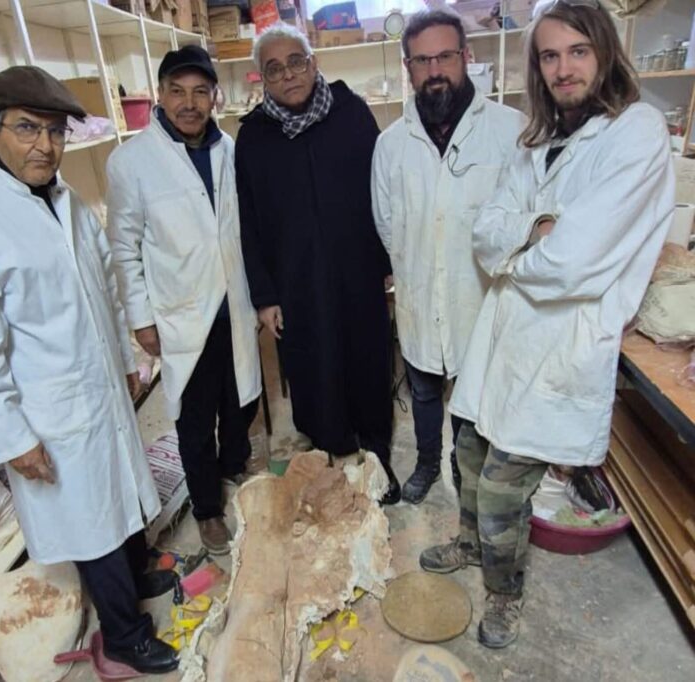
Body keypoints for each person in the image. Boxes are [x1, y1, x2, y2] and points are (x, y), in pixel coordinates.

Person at [420, 0, 675, 649]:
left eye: (578, 52)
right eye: (550, 55)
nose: (564, 68)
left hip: (561, 343)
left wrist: (521, 249)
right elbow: (487, 233)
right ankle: (471, 545)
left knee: (504, 489)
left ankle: (504, 593)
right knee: (468, 453)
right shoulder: (537, 140)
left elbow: (573, 263)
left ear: (605, 53)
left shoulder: (636, 132)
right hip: (504, 335)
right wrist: (533, 232)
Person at [0, 66, 180, 673]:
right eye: (26, 128)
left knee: (120, 499)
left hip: (101, 389)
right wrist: (13, 440)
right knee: (91, 521)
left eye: (55, 131)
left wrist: (126, 361)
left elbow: (107, 292)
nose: (45, 145)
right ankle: (123, 636)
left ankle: (134, 581)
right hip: (49, 412)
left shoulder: (68, 203)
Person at [235, 24, 400, 503]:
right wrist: (265, 296)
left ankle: (376, 456)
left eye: (296, 62)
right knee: (313, 363)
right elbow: (248, 223)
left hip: (358, 269)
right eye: (274, 69)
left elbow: (382, 192)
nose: (288, 75)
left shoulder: (352, 114)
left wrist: (388, 260)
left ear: (314, 63)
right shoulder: (253, 137)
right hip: (296, 278)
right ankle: (331, 455)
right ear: (262, 79)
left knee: (367, 359)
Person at [107, 46, 261, 555]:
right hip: (181, 312)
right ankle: (208, 509)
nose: (189, 103)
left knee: (240, 401)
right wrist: (141, 319)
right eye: (177, 91)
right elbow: (123, 248)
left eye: (200, 92)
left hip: (233, 303)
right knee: (194, 418)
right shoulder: (131, 161)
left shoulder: (229, 148)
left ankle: (233, 466)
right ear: (160, 95)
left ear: (214, 96)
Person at [372, 9, 523, 504]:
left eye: (445, 56)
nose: (434, 70)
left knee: (471, 392)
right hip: (419, 292)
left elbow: (520, 220)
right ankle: (426, 463)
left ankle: (463, 466)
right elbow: (386, 222)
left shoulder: (509, 131)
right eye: (422, 60)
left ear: (466, 56)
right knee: (421, 388)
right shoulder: (391, 145)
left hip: (479, 296)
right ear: (408, 67)